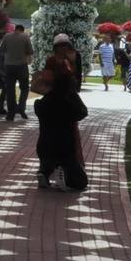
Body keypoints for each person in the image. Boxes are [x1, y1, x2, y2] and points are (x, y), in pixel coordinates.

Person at [33, 33, 88, 190]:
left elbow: (75, 79)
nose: (64, 49)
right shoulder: (55, 62)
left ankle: (48, 172)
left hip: (56, 102)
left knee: (51, 144)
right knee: (64, 148)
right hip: (60, 100)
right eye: (61, 46)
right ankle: (58, 173)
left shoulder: (69, 61)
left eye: (66, 46)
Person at [0, 24, 33, 121]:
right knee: (24, 88)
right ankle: (21, 107)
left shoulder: (7, 36)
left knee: (10, 90)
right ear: (22, 30)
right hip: (21, 66)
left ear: (15, 29)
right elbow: (30, 51)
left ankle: (11, 113)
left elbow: (1, 49)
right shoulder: (25, 37)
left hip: (9, 66)